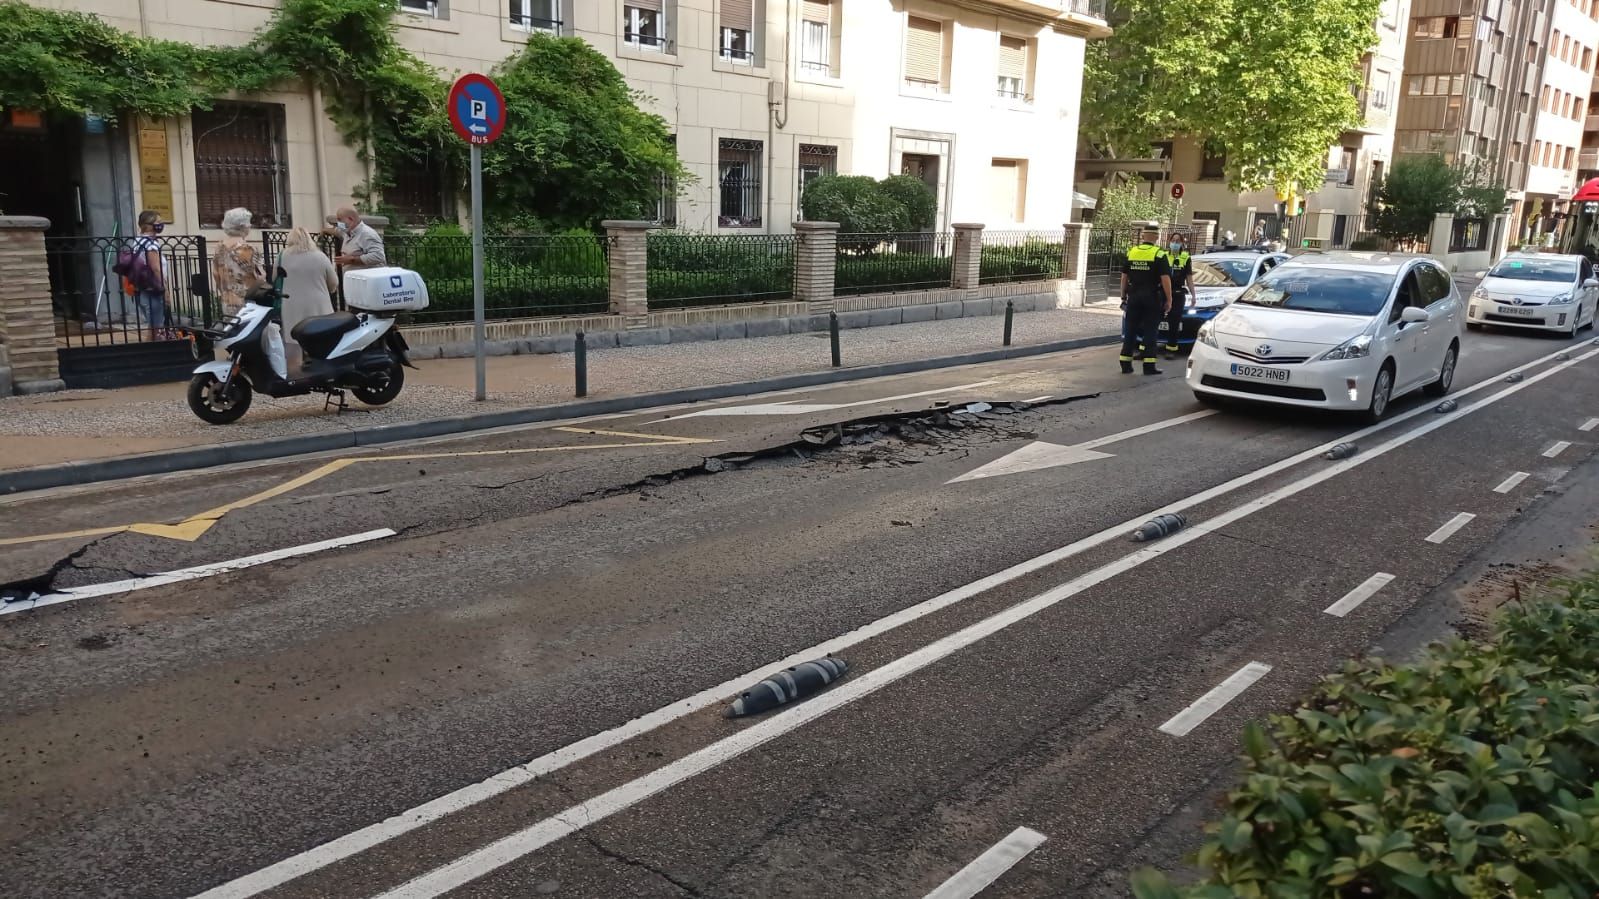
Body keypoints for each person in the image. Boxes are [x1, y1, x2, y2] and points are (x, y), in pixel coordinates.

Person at [278, 226, 340, 373]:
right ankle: (321, 367)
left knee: (294, 338)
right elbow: (334, 282)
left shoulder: (282, 256)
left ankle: (295, 370)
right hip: (318, 303)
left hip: (290, 303)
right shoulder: (320, 256)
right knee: (319, 334)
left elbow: (275, 278)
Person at [1120, 226, 1172, 376]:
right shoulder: (1159, 254)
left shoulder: (1132, 252)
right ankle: (1149, 366)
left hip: (1134, 295)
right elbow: (1165, 279)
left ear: (1143, 236)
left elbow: (1124, 277)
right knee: (1150, 330)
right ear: (1156, 237)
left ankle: (1125, 364)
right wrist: (1169, 299)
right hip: (1151, 296)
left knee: (1130, 329)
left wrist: (1123, 296)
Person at [210, 207, 266, 318]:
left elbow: (215, 274)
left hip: (227, 301)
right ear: (242, 226)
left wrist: (224, 290)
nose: (250, 226)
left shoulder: (220, 248)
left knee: (231, 331)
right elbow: (260, 277)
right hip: (248, 303)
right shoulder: (250, 249)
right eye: (249, 223)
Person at [132, 210, 168, 338]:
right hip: (154, 287)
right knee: (156, 326)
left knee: (152, 326)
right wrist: (165, 289)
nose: (161, 224)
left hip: (142, 286)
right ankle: (153, 352)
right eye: (158, 222)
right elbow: (156, 268)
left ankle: (150, 350)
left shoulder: (138, 241)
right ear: (148, 225)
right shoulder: (150, 244)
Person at [1161, 231, 1194, 358]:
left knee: (1174, 322)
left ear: (1182, 244)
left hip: (1178, 293)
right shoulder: (1163, 255)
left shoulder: (1185, 257)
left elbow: (1189, 278)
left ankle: (1171, 349)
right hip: (1162, 291)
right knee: (1155, 319)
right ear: (1169, 242)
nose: (1175, 243)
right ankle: (1147, 348)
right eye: (1173, 241)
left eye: (1177, 241)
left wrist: (1193, 295)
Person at [331, 206, 386, 275]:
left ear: (351, 219)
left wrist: (352, 260)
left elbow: (378, 256)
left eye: (340, 220)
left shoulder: (367, 234)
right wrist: (324, 230)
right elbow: (337, 231)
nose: (338, 223)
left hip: (366, 281)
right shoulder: (348, 231)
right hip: (352, 279)